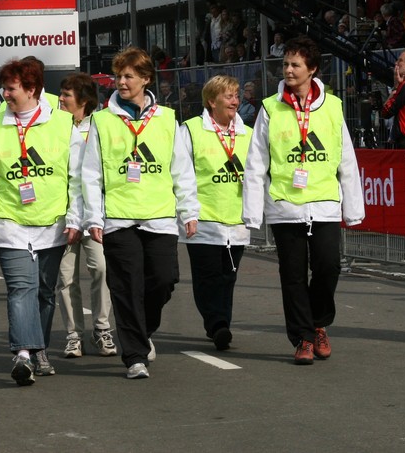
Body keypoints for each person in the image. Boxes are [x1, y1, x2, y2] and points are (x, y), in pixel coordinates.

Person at [0, 59, 84, 386]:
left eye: (11, 88)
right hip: (9, 221)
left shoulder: (62, 124)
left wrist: (75, 218)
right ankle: (24, 355)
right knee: (21, 287)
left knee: (44, 291)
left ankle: (39, 349)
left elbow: (77, 178)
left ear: (31, 89)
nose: (5, 94)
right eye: (4, 88)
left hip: (52, 222)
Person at [242, 36, 364, 365]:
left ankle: (318, 322)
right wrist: (252, 213)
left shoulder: (332, 106)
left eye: (295, 64)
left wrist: (353, 208)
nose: (288, 70)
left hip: (324, 203)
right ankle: (303, 338)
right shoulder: (270, 108)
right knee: (293, 275)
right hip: (285, 206)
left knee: (328, 266)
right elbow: (256, 162)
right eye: (285, 64)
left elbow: (346, 159)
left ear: (312, 69)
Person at [80, 47, 200, 380]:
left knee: (163, 280)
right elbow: (90, 174)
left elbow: (181, 169)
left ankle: (142, 330)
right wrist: (93, 217)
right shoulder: (102, 121)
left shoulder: (167, 119)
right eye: (118, 76)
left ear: (146, 79)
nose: (121, 82)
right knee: (126, 286)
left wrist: (188, 210)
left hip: (159, 216)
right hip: (119, 218)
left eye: (128, 76)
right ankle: (134, 355)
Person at [181, 75, 252, 351]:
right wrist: (187, 212)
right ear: (212, 101)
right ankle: (217, 324)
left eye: (236, 95)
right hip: (203, 219)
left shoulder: (247, 133)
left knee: (228, 276)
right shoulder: (190, 130)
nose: (235, 101)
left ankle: (221, 323)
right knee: (208, 276)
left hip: (236, 220)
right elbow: (182, 174)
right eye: (228, 96)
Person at [55, 72, 116, 359]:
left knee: (101, 269)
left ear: (83, 100)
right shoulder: (54, 126)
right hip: (60, 215)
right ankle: (73, 334)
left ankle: (102, 328)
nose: (60, 99)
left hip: (94, 213)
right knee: (66, 277)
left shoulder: (101, 125)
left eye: (67, 95)